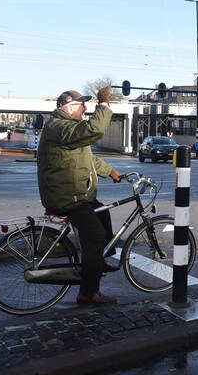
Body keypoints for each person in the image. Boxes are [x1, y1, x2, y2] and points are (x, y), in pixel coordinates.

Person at [37, 85, 124, 305]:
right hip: (67, 196)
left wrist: (111, 172)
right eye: (81, 105)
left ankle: (98, 259)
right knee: (94, 235)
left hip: (76, 194)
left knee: (102, 213)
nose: (85, 109)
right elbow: (94, 130)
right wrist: (103, 105)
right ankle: (88, 292)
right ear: (69, 107)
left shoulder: (69, 129)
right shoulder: (58, 127)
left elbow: (88, 159)